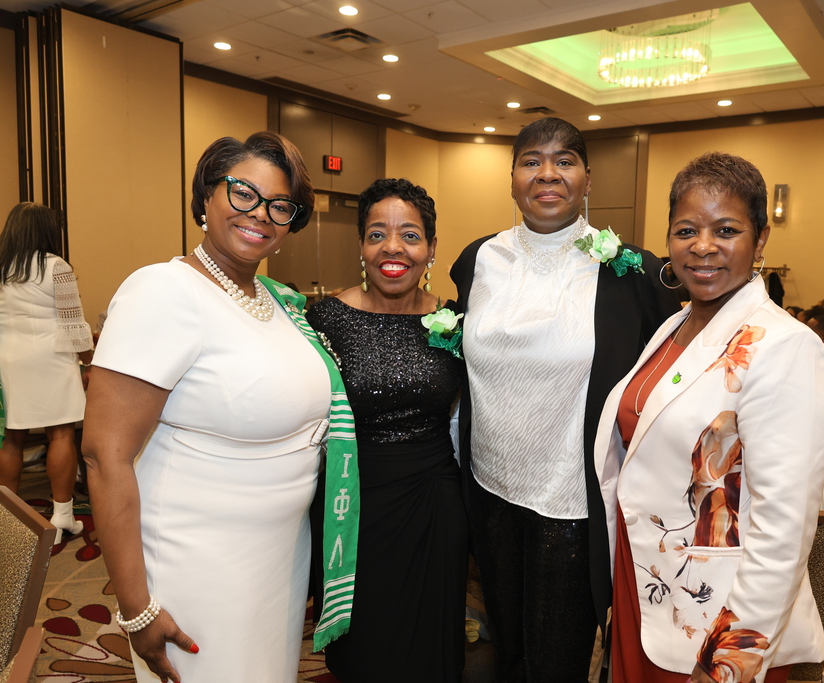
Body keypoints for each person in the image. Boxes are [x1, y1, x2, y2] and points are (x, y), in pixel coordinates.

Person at [83, 132, 360, 683]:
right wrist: (137, 608)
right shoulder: (163, 290)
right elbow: (102, 456)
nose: (260, 213)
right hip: (200, 566)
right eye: (243, 193)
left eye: (280, 205)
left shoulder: (275, 301)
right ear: (207, 196)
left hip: (278, 561)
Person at [450, 117, 679, 682]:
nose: (547, 173)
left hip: (573, 498)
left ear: (587, 179)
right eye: (531, 160)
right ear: (511, 179)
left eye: (563, 160)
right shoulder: (477, 260)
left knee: (557, 655)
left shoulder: (632, 272)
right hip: (489, 486)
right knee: (506, 643)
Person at [594, 152, 824, 682]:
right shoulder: (677, 324)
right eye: (686, 230)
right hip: (648, 582)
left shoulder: (785, 346)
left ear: (761, 238)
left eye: (725, 229)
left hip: (718, 616)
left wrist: (731, 661)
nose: (703, 246)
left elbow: (784, 528)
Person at [306, 178, 468, 682]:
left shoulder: (457, 323)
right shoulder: (324, 319)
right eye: (377, 234)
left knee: (430, 646)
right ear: (361, 246)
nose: (393, 248)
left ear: (432, 248)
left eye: (410, 235)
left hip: (435, 504)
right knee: (366, 650)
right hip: (353, 504)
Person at [0, 202, 92, 544]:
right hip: (50, 359)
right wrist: (90, 360)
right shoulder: (56, 266)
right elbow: (73, 326)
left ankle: (7, 519)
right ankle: (63, 515)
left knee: (8, 436)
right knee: (61, 434)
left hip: (4, 363)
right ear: (46, 230)